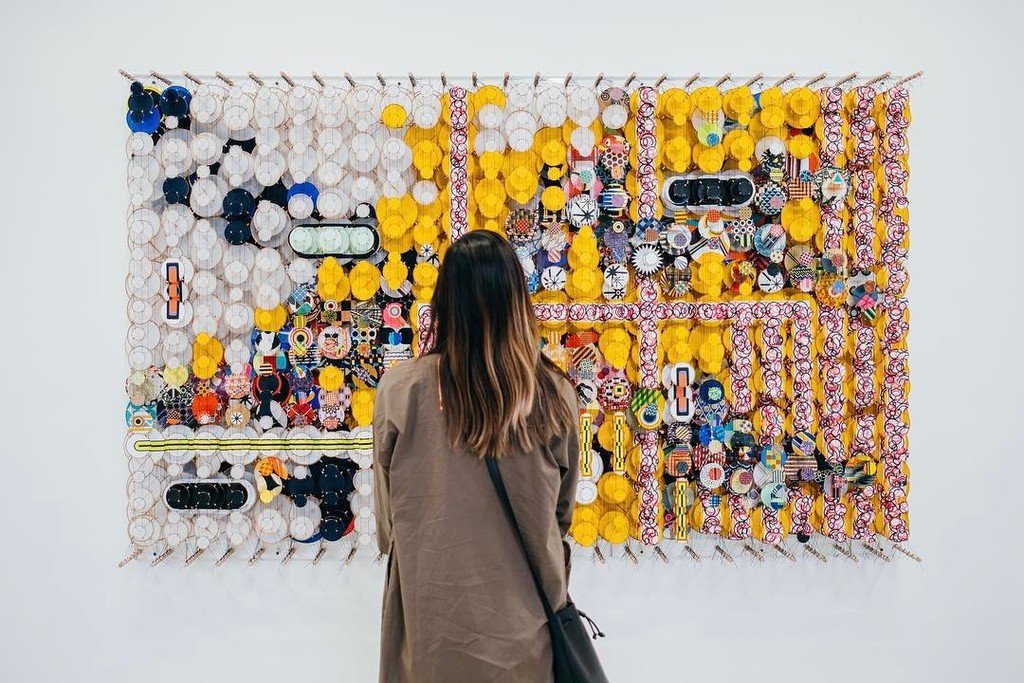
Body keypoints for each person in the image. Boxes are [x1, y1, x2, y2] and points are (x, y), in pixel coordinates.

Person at [372, 229, 581, 682]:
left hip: (431, 629)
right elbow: (560, 516)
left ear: (444, 301)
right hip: (526, 634)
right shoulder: (553, 394)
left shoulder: (400, 391)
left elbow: (389, 525)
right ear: (518, 301)